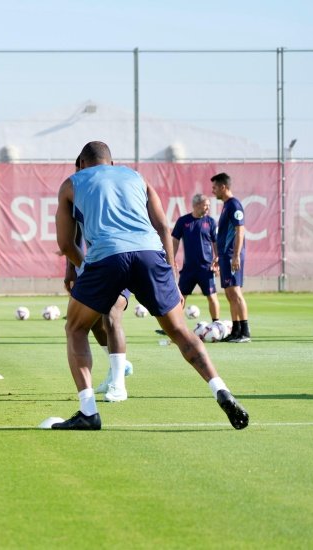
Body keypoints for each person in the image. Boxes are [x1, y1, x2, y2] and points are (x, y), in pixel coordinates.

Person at [49, 141, 248, 430]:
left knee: (76, 328)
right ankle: (220, 388)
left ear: (80, 164)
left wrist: (81, 267)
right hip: (151, 256)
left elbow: (66, 243)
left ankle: (88, 411)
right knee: (180, 331)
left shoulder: (71, 184)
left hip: (106, 258)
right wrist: (172, 277)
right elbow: (164, 228)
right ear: (112, 163)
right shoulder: (136, 177)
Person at [63, 156, 134, 403]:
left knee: (111, 314)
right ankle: (119, 366)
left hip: (121, 260)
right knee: (89, 322)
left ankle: (118, 385)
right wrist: (72, 269)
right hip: (96, 267)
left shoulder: (114, 192)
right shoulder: (80, 196)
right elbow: (71, 238)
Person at [211, 173, 251, 343]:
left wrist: (235, 256)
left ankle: (245, 332)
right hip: (225, 256)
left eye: (214, 188)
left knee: (235, 292)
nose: (213, 191)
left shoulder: (234, 205)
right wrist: (219, 256)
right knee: (229, 293)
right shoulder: (226, 205)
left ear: (223, 187)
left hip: (232, 256)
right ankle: (235, 330)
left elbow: (240, 230)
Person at [171, 193, 221, 322]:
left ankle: (216, 323)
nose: (208, 208)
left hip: (206, 268)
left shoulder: (210, 222)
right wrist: (171, 258)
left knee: (212, 296)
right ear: (196, 205)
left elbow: (216, 242)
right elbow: (175, 241)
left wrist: (218, 259)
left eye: (209, 206)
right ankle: (175, 326)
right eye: (206, 205)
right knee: (180, 297)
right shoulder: (183, 221)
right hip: (188, 268)